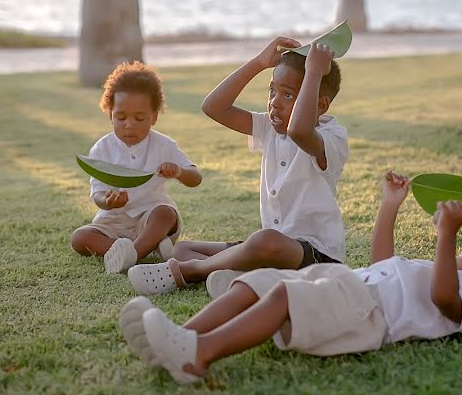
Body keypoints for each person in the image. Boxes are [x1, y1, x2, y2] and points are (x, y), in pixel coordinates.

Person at [119, 171, 462, 384]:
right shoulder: (441, 270)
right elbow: (382, 264)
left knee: (282, 296)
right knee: (255, 284)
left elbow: (444, 301)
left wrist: (447, 235)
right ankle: (180, 337)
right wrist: (390, 206)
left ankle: (199, 355)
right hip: (350, 283)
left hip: (366, 313)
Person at [126, 37, 347, 296]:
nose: (275, 102)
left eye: (288, 94)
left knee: (264, 240)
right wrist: (258, 63)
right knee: (183, 249)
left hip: (316, 258)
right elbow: (213, 107)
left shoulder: (331, 137)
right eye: (272, 90)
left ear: (320, 104)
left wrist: (313, 72)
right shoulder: (271, 128)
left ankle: (189, 272)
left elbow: (300, 130)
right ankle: (239, 275)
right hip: (271, 249)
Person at [70, 61, 202, 274]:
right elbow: (97, 194)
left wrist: (178, 171)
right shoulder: (102, 149)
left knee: (165, 214)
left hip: (150, 218)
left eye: (139, 118)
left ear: (154, 117)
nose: (129, 124)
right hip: (113, 223)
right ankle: (146, 249)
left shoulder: (164, 145)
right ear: (110, 115)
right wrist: (108, 201)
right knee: (80, 238)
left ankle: (133, 254)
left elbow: (195, 177)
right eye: (120, 117)